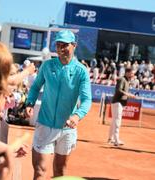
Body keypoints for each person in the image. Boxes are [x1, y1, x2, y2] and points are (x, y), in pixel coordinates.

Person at [25, 29, 92, 179]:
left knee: (60, 172)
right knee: (40, 170)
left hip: (67, 129)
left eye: (65, 45)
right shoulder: (47, 66)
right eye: (58, 45)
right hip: (45, 124)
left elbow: (87, 100)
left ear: (74, 45)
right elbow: (36, 87)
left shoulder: (81, 71)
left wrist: (77, 115)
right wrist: (29, 103)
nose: (61, 49)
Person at [108, 67, 136, 146]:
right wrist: (128, 94)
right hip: (117, 102)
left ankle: (111, 138)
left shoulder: (127, 81)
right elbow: (118, 90)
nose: (133, 75)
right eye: (132, 73)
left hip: (119, 103)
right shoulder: (122, 80)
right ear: (127, 73)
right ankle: (116, 140)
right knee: (117, 121)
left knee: (114, 121)